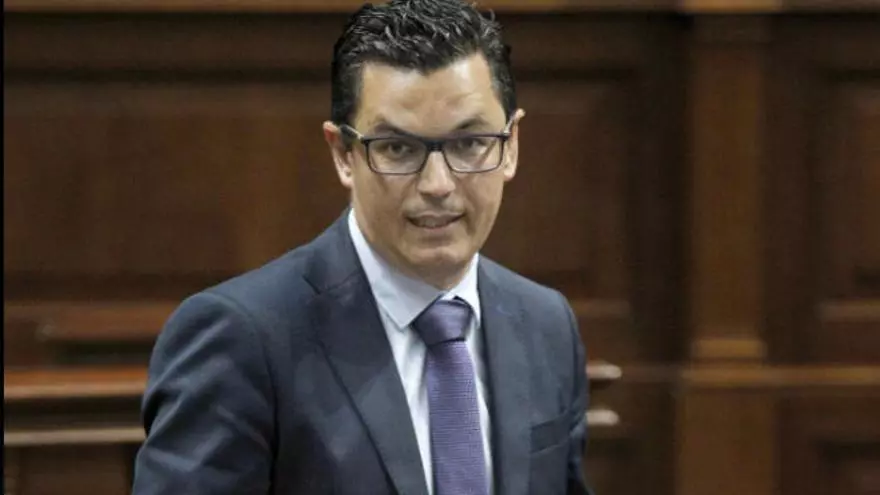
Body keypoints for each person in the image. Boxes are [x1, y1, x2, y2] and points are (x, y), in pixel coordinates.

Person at [131, 0, 593, 493]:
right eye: (398, 148)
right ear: (343, 155)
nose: (438, 184)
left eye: (470, 143)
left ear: (511, 145)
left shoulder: (546, 324)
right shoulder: (242, 340)